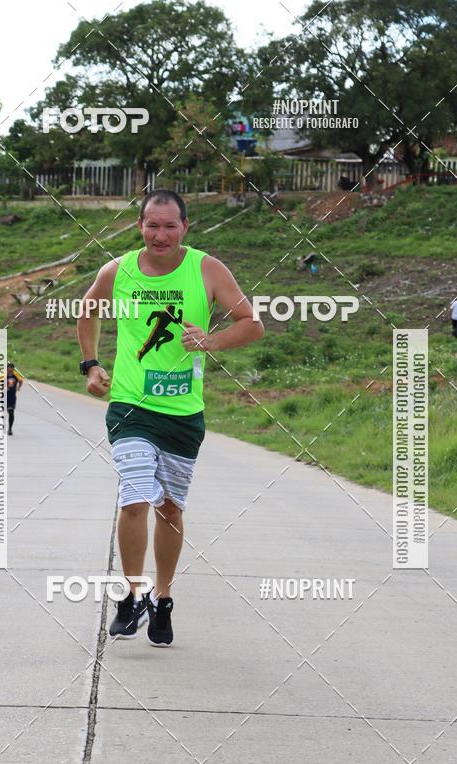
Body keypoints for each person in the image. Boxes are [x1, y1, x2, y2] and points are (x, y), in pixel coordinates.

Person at [77, 188, 264, 646]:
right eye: (151, 225)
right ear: (139, 226)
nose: (160, 234)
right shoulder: (117, 271)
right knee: (135, 494)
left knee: (170, 509)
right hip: (130, 408)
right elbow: (88, 310)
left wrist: (212, 341)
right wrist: (91, 363)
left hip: (183, 414)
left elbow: (252, 323)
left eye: (169, 225)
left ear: (185, 227)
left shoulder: (207, 269)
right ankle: (133, 593)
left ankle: (162, 599)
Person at [6, 363, 23, 435]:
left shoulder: (16, 375)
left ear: (13, 369)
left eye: (11, 368)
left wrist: (19, 387)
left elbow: (21, 380)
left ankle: (10, 429)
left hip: (12, 396)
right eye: (8, 368)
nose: (9, 370)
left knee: (11, 412)